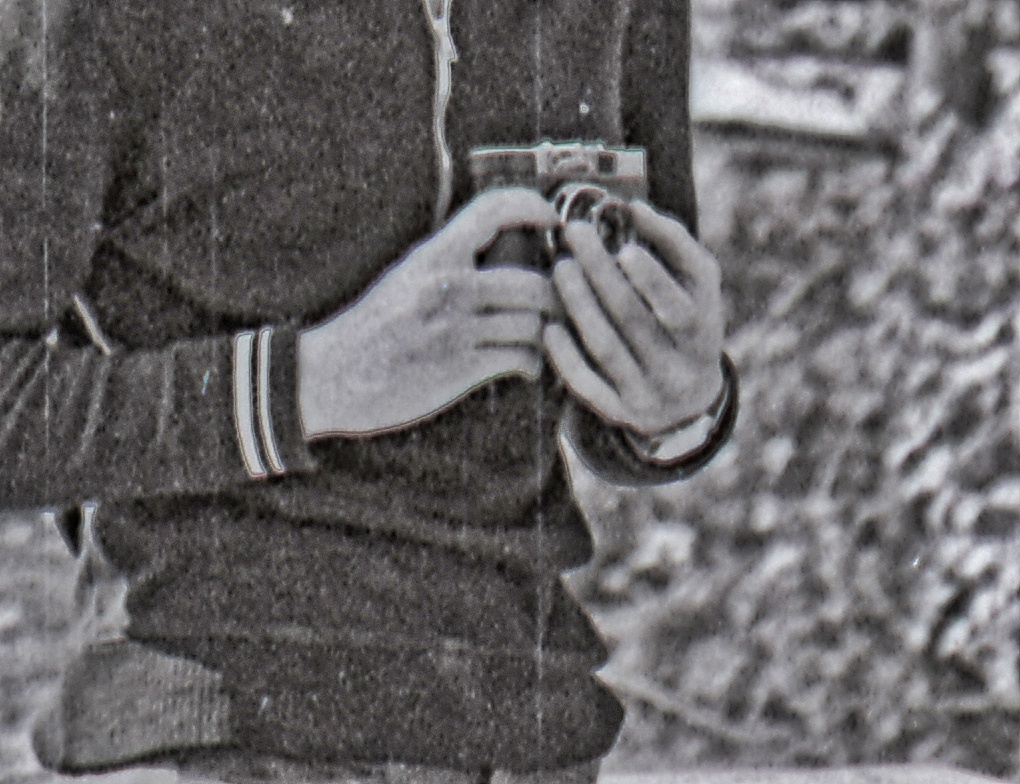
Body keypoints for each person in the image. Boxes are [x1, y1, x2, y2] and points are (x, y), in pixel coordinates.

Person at [0, 0, 737, 781]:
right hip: (212, 726)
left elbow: (623, 383)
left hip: (531, 727)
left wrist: (678, 406)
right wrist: (312, 382)